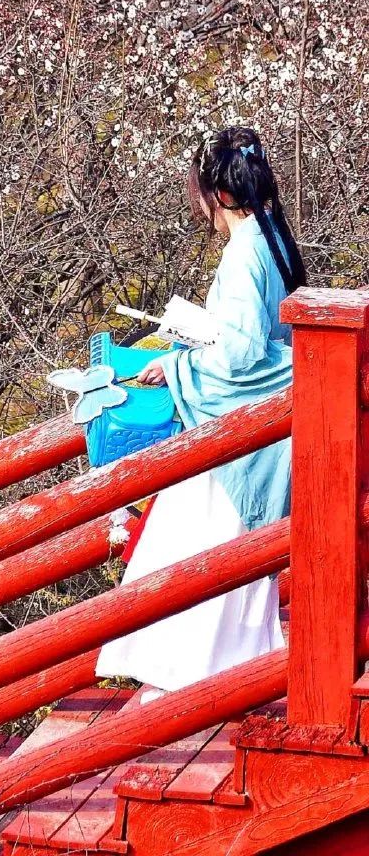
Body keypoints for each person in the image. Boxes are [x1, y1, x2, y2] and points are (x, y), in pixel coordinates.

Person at [95, 126, 307, 700]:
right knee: (220, 552)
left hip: (235, 423)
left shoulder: (244, 253)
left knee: (194, 547)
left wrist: (180, 367)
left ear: (218, 193)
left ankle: (185, 677)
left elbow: (241, 355)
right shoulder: (275, 238)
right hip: (258, 418)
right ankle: (221, 669)